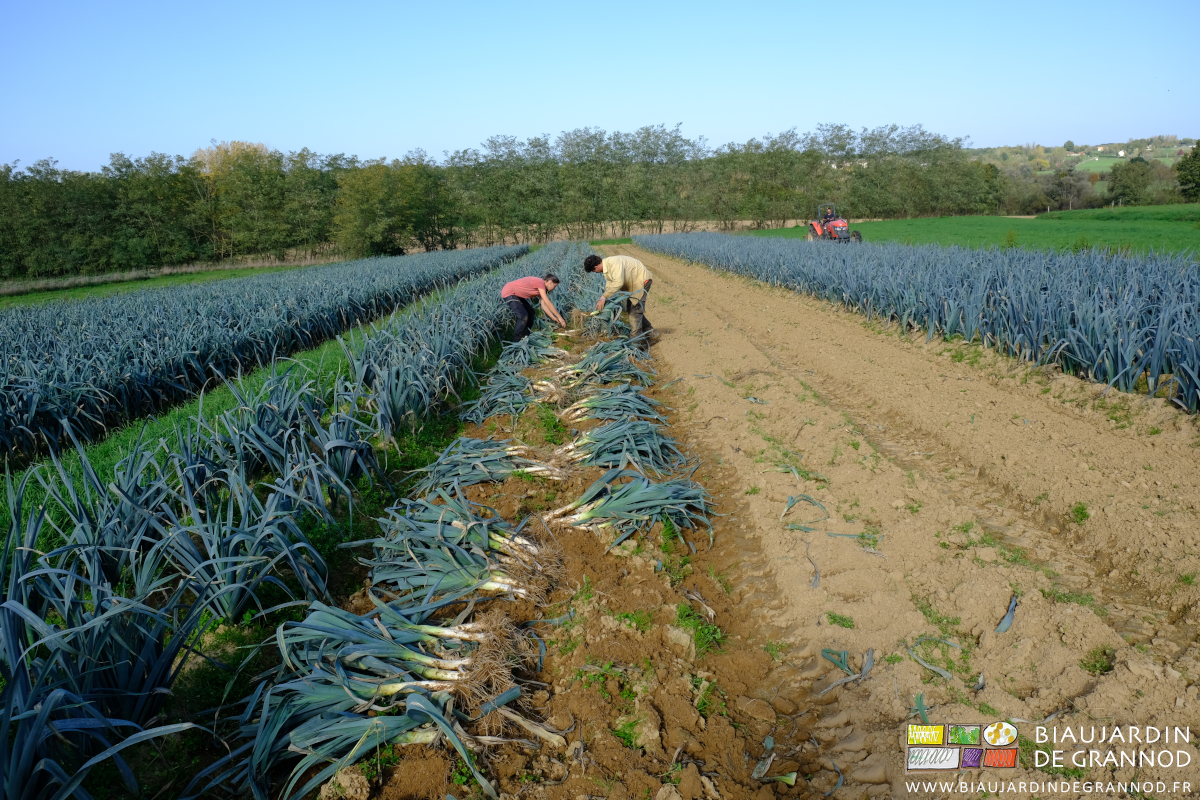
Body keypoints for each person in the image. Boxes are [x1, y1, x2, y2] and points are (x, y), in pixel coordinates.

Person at [582, 254, 657, 340]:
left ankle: (636, 342)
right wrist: (605, 298)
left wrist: (604, 296)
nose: (595, 272)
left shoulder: (614, 264)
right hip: (634, 283)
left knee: (635, 311)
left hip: (641, 281)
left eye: (593, 270)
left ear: (596, 267)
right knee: (631, 308)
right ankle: (651, 332)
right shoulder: (606, 267)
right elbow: (610, 284)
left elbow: (618, 282)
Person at [500, 273, 566, 340]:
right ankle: (516, 341)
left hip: (516, 294)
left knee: (531, 313)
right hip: (509, 292)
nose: (554, 288)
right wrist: (560, 317)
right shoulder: (540, 283)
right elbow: (548, 303)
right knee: (523, 316)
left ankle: (526, 336)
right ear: (550, 282)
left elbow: (544, 305)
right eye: (554, 286)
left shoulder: (543, 289)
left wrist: (553, 317)